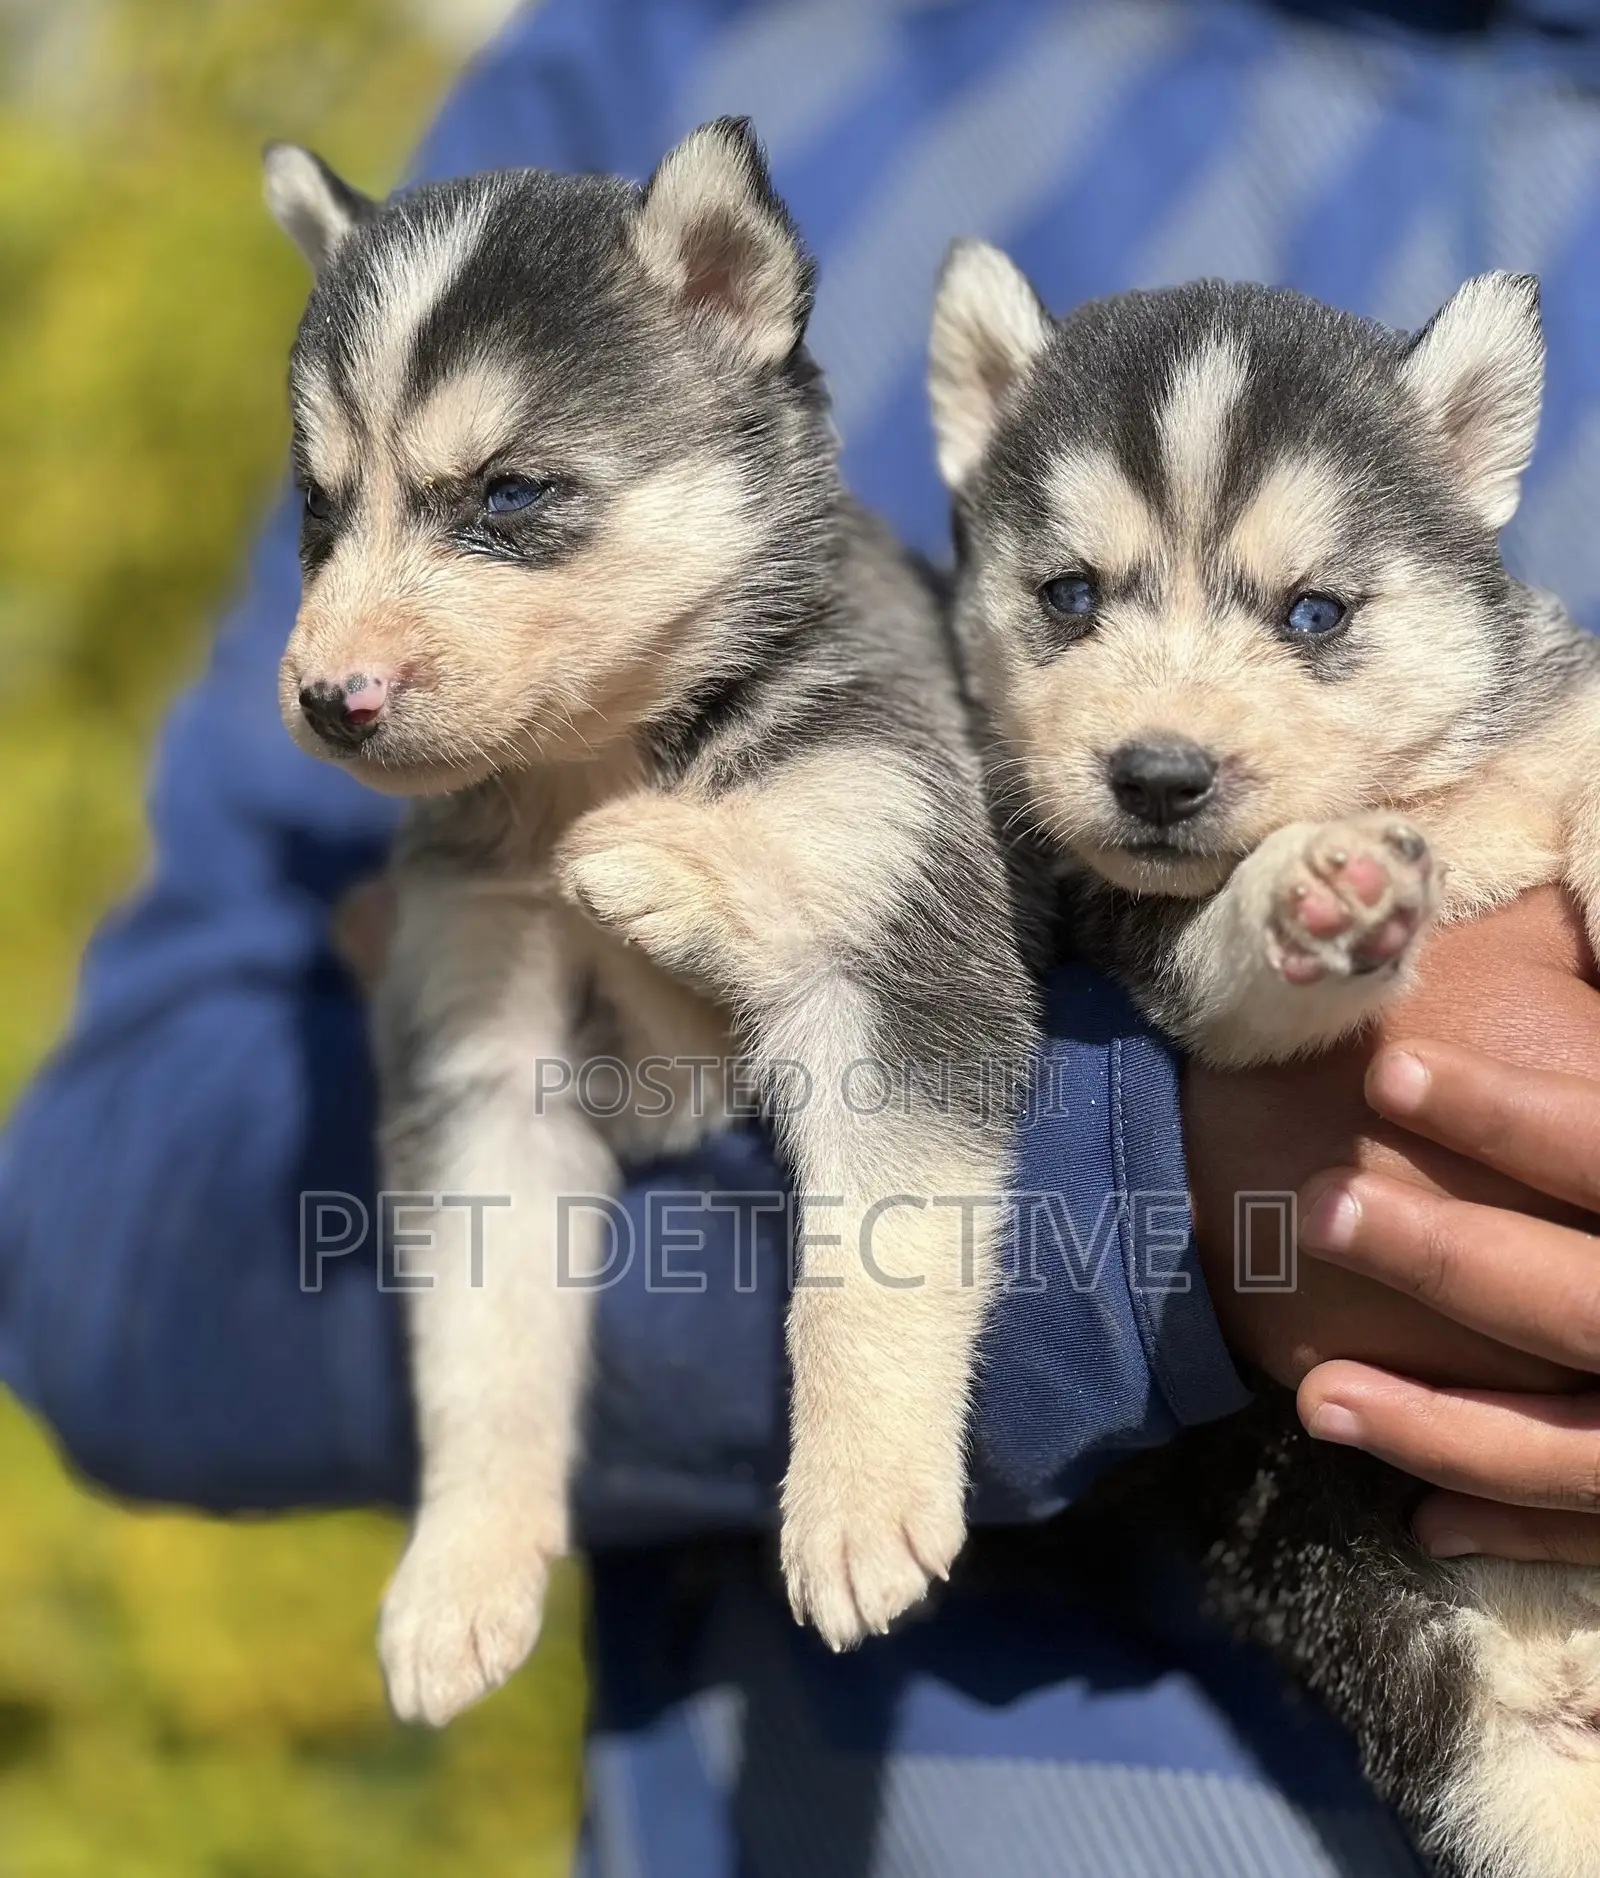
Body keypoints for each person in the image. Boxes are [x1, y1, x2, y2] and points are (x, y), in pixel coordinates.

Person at [2, 2, 1598, 1873]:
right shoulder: (692, 54)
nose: (345, 645)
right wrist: (1175, 1214)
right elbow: (121, 1229)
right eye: (1068, 595)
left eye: (508, 499)